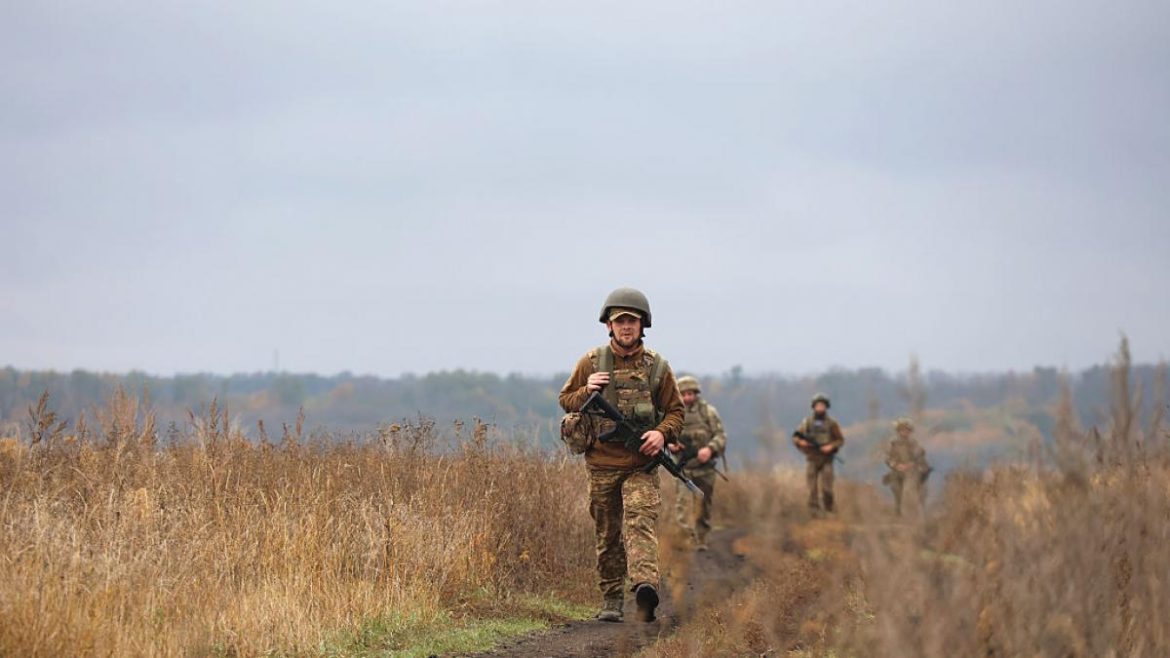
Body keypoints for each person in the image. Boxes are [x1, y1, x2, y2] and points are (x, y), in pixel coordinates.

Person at [558, 287, 685, 623]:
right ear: (609, 326)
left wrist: (660, 433)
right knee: (608, 532)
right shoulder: (591, 362)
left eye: (632, 320)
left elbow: (676, 412)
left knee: (640, 521)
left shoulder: (657, 368)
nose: (626, 326)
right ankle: (612, 599)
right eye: (620, 321)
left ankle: (645, 588)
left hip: (640, 465)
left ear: (643, 325)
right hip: (601, 465)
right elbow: (566, 399)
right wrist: (588, 390)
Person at [670, 375, 727, 551]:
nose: (687, 398)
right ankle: (687, 539)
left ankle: (701, 538)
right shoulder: (673, 413)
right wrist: (670, 444)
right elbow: (665, 434)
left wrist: (709, 449)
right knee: (683, 505)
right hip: (683, 468)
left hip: (705, 469)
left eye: (690, 394)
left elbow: (721, 436)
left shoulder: (708, 412)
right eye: (684, 394)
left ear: (696, 394)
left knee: (704, 504)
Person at [792, 393, 845, 514]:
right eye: (818, 405)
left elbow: (840, 440)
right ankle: (814, 513)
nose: (820, 408)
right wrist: (802, 442)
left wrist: (830, 446)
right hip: (812, 458)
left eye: (822, 405)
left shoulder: (832, 423)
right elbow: (796, 437)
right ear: (814, 407)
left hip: (827, 459)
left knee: (827, 489)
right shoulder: (807, 422)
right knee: (812, 489)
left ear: (826, 407)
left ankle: (829, 510)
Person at [882, 417, 931, 516]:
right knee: (896, 489)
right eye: (902, 430)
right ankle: (898, 511)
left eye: (907, 430)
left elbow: (920, 457)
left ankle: (912, 513)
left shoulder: (914, 444)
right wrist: (896, 465)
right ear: (898, 431)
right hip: (897, 471)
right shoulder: (893, 444)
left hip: (912, 472)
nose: (904, 432)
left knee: (910, 490)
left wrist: (912, 465)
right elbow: (887, 459)